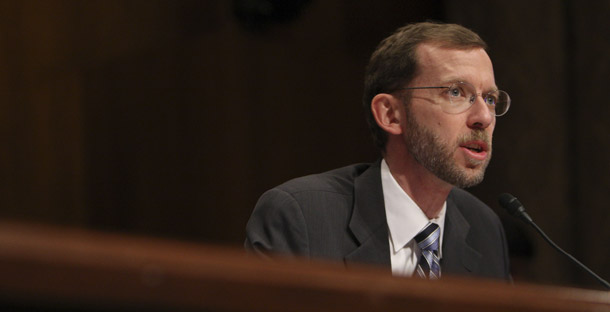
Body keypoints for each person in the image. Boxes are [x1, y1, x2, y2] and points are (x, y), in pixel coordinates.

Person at [245, 21, 511, 281]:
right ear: (390, 114)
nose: (484, 117)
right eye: (455, 92)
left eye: (489, 98)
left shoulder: (483, 229)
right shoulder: (302, 217)